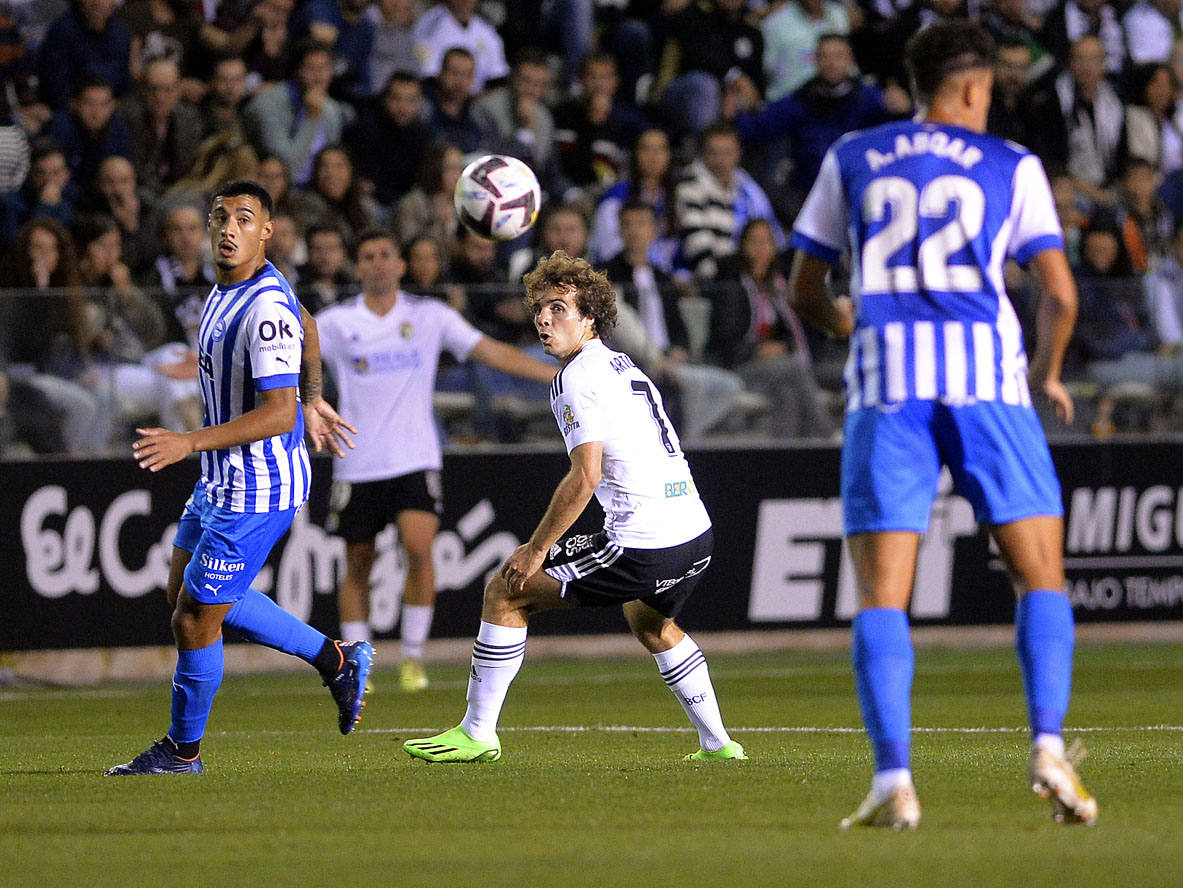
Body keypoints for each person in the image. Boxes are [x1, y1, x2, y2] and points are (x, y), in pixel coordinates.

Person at [788, 21, 1097, 828]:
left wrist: (844, 324)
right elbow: (1060, 295)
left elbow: (803, 288)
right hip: (986, 386)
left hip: (887, 386)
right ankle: (1048, 748)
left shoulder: (851, 154)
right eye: (989, 91)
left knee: (882, 595)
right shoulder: (1010, 164)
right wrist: (1044, 374)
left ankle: (893, 778)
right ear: (969, 89)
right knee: (1039, 577)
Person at [403, 249, 746, 764]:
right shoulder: (619, 362)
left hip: (645, 541)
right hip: (695, 532)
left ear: (589, 318)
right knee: (650, 624)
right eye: (540, 308)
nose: (544, 317)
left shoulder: (576, 377)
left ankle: (477, 732)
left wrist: (536, 549)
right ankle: (720, 744)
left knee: (506, 589)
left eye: (559, 307)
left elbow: (584, 476)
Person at [105, 178, 369, 776]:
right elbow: (311, 324)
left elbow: (279, 415)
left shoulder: (263, 306)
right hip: (222, 476)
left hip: (259, 485)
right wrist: (316, 394)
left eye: (245, 219)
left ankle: (181, 752)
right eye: (220, 217)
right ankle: (337, 660)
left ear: (267, 232)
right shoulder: (233, 289)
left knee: (196, 617)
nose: (228, 228)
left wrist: (189, 440)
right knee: (187, 598)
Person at [316, 230, 557, 691]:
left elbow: (493, 352)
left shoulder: (429, 317)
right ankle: (358, 664)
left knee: (419, 549)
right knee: (357, 563)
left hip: (413, 457)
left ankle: (411, 658)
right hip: (357, 461)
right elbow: (293, 355)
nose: (379, 263)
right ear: (358, 266)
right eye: (368, 255)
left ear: (402, 266)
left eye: (387, 253)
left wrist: (558, 372)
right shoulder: (336, 323)